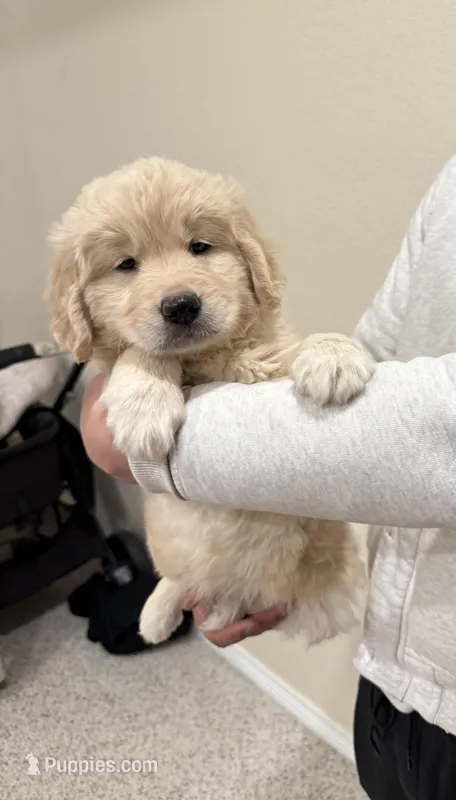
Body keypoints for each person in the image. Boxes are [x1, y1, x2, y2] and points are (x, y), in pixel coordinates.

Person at [81, 156, 456, 800]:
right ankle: (180, 580)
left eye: (202, 246)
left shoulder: (260, 336)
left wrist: (144, 450)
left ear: (253, 260)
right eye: (127, 264)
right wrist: (137, 370)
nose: (177, 286)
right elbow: (379, 359)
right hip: (393, 674)